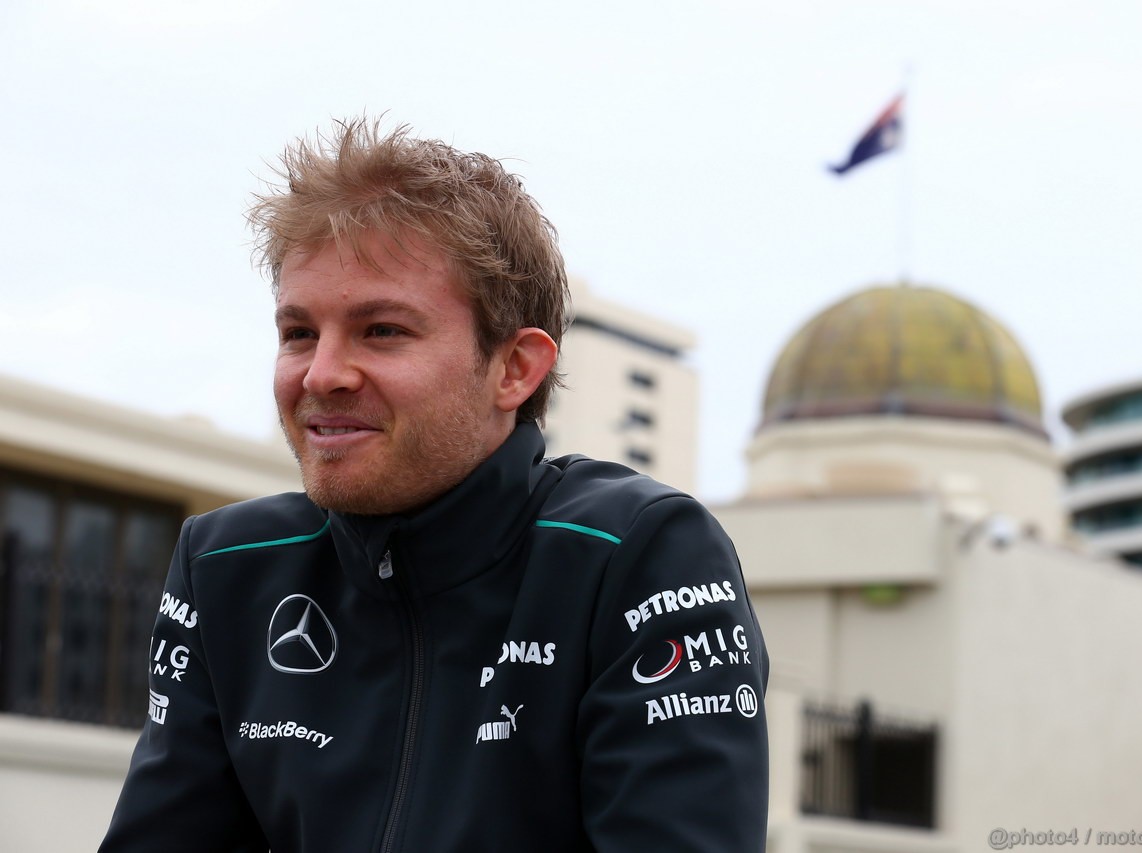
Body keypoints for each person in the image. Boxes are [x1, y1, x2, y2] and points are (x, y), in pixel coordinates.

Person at [99, 117, 769, 852]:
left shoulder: (637, 552)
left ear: (514, 369)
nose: (321, 373)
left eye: (381, 330)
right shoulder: (227, 563)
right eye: (298, 332)